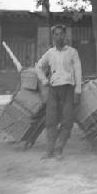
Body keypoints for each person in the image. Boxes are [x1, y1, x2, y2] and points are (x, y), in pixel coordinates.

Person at [35, 24, 82, 160]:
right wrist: (44, 81)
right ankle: (49, 150)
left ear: (65, 35)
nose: (58, 37)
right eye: (56, 34)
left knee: (67, 120)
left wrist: (78, 90)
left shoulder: (72, 52)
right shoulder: (50, 53)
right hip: (54, 90)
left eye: (61, 34)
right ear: (53, 36)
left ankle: (59, 149)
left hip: (68, 89)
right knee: (51, 120)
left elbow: (78, 71)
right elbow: (38, 67)